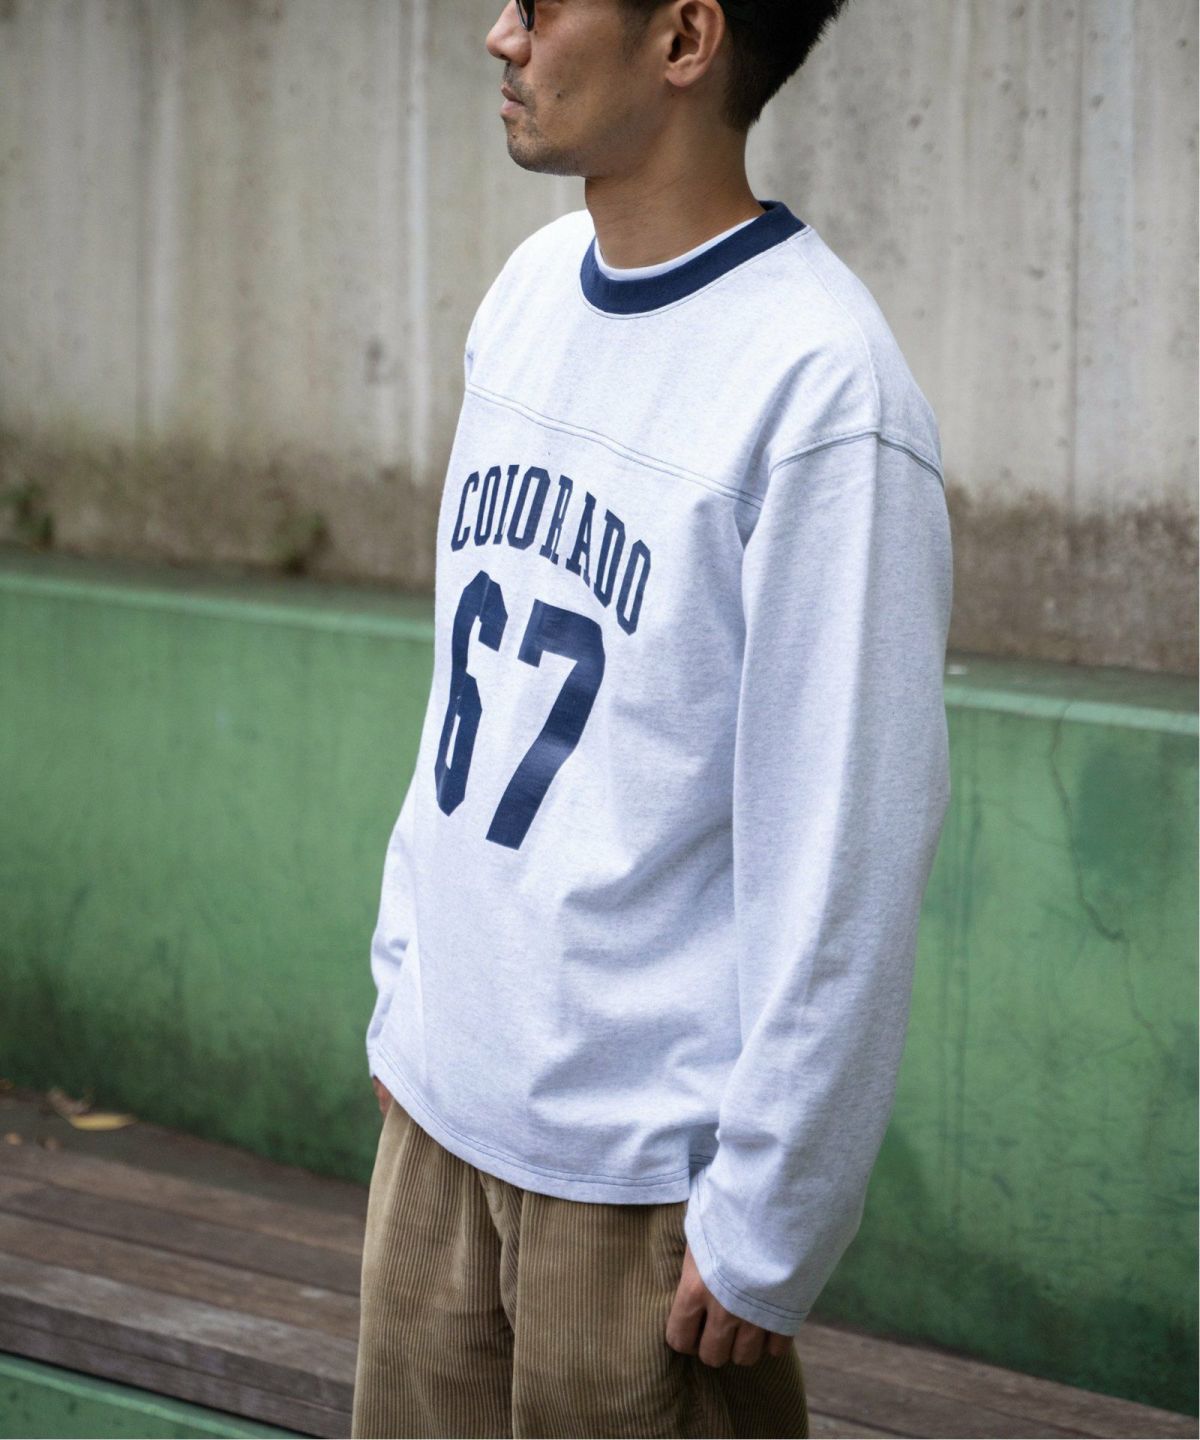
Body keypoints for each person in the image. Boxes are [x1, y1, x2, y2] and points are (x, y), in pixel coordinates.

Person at [351, 0, 952, 1435]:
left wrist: (772, 1212)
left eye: (543, 4)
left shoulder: (823, 390)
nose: (501, 37)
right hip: (436, 1127)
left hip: (639, 1195)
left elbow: (847, 847)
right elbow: (461, 695)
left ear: (684, 40)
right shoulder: (529, 291)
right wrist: (403, 995)